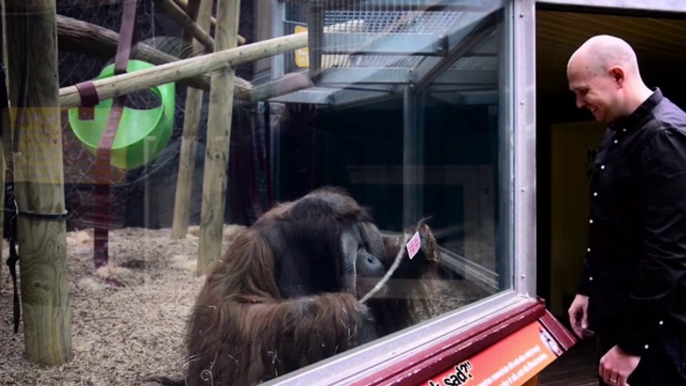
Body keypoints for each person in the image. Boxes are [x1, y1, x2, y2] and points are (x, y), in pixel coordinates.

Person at [566, 34, 686, 386]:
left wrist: (632, 346)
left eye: (583, 91)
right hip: (620, 320)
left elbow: (669, 253)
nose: (577, 103)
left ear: (618, 76)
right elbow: (606, 223)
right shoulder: (619, 130)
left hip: (657, 338)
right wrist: (588, 287)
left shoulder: (665, 136)